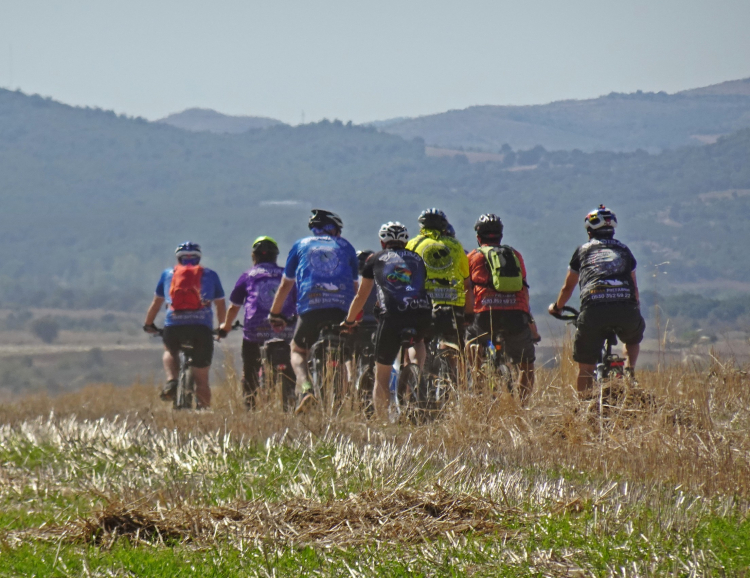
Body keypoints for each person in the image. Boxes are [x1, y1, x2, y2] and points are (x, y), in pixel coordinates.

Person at [268, 209, 359, 414]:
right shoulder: (346, 246)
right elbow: (355, 289)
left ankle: (306, 388)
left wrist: (275, 313)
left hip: (311, 306)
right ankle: (342, 402)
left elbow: (285, 285)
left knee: (298, 350)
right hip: (341, 309)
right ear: (335, 230)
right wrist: (355, 317)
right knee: (344, 353)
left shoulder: (300, 245)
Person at [548, 205, 645, 395]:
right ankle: (629, 371)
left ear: (589, 231)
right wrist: (635, 309)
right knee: (633, 338)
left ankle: (584, 407)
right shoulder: (625, 250)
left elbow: (568, 286)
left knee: (586, 368)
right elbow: (634, 287)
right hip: (626, 308)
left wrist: (557, 307)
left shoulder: (583, 251)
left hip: (594, 309)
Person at [342, 222, 432, 418]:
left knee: (381, 376)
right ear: (406, 242)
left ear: (382, 242)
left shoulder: (375, 259)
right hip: (422, 312)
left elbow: (361, 296)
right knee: (418, 341)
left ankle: (382, 421)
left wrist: (349, 321)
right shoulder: (417, 258)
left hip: (392, 316)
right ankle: (416, 372)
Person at [465, 214, 539, 403]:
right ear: (501, 235)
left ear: (478, 236)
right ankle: (522, 406)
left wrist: (467, 314)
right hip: (516, 313)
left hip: (485, 313)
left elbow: (468, 289)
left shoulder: (473, 257)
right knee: (526, 365)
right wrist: (530, 323)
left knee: (471, 345)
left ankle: (478, 390)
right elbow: (523, 289)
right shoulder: (515, 255)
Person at [143, 242, 226, 409]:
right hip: (201, 327)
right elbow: (220, 305)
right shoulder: (210, 275)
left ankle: (172, 380)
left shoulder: (168, 274)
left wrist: (148, 323)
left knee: (170, 350)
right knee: (202, 380)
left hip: (174, 325)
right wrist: (222, 327)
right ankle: (204, 412)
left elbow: (156, 303)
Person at [219, 236, 297, 410]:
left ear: (254, 257)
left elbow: (234, 307)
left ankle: (251, 405)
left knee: (250, 368)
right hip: (284, 327)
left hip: (255, 329)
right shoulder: (286, 275)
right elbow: (297, 300)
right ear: (275, 256)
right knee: (291, 355)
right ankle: (290, 397)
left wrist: (226, 326)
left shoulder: (247, 275)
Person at [405, 208, 470, 349]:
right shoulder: (455, 245)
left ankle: (414, 367)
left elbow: (405, 275)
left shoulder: (413, 244)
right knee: (454, 345)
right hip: (453, 303)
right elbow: (466, 278)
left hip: (422, 304)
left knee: (416, 343)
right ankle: (454, 369)